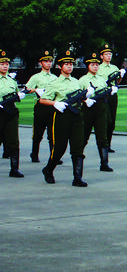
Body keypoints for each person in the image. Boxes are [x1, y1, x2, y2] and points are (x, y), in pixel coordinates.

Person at [40, 50, 93, 186]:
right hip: (62, 117)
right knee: (59, 147)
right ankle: (48, 169)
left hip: (77, 115)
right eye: (66, 64)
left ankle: (77, 178)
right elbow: (43, 100)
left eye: (71, 64)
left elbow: (81, 98)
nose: (70, 66)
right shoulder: (54, 83)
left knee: (78, 148)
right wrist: (55, 103)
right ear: (59, 66)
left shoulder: (76, 82)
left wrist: (87, 95)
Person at [79, 52, 116, 172]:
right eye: (93, 64)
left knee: (102, 136)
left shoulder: (101, 80)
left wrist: (111, 91)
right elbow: (78, 95)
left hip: (101, 108)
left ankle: (104, 163)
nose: (95, 66)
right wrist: (85, 99)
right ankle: (78, 156)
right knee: (84, 135)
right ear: (87, 66)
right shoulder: (83, 80)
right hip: (88, 109)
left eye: (97, 64)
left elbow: (105, 91)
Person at [25, 50, 58, 163]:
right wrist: (35, 90)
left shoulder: (54, 77)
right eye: (46, 61)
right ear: (40, 63)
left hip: (52, 105)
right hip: (40, 106)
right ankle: (34, 154)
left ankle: (54, 156)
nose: (48, 63)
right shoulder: (36, 77)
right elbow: (26, 89)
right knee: (38, 132)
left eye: (50, 61)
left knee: (52, 133)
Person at [0, 49, 27, 177]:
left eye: (7, 63)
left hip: (11, 112)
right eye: (2, 64)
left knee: (13, 140)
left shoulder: (11, 80)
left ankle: (14, 168)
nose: (5, 66)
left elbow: (15, 94)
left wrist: (19, 96)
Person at [97, 44, 125, 153]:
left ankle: (108, 144)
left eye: (110, 54)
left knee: (112, 121)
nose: (109, 56)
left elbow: (117, 82)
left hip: (113, 94)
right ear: (101, 56)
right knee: (104, 120)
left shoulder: (114, 68)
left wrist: (121, 75)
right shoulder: (98, 67)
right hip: (103, 94)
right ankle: (102, 143)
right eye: (106, 54)